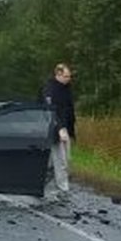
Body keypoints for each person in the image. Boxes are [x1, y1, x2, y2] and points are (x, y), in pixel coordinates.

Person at [41, 63, 75, 196]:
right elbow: (50, 111)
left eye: (69, 76)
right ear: (58, 74)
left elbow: (68, 109)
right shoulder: (49, 89)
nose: (68, 79)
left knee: (62, 160)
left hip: (65, 129)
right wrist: (60, 128)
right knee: (61, 161)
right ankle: (63, 189)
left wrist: (69, 130)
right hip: (53, 129)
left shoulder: (66, 88)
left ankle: (44, 186)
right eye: (66, 76)